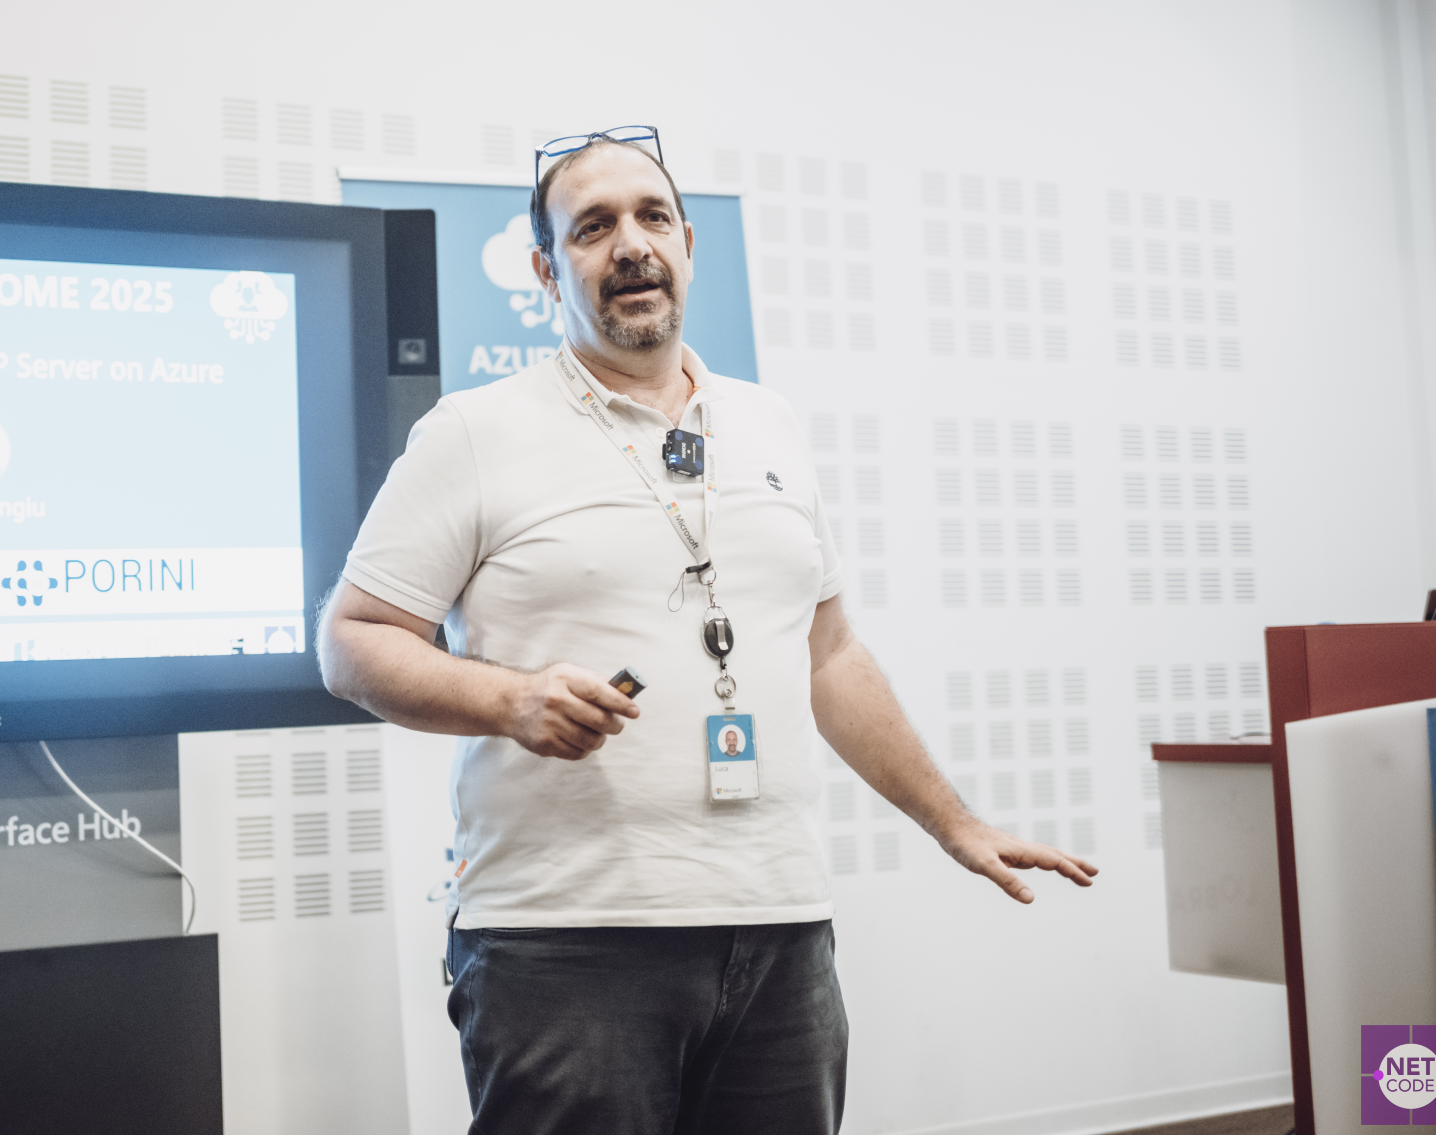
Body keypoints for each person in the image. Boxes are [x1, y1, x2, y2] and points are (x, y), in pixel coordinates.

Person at [317, 127, 1097, 1135]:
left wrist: (954, 821)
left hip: (780, 930)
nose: (630, 244)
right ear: (546, 270)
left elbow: (829, 655)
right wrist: (508, 698)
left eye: (652, 218)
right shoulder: (475, 431)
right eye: (592, 227)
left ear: (687, 245)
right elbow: (352, 640)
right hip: (565, 940)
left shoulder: (767, 422)